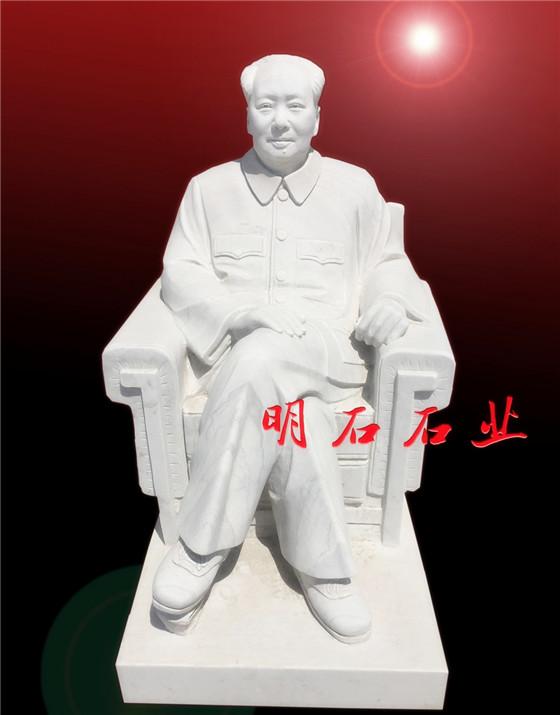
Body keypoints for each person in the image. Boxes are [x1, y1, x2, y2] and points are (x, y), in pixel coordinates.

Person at [152, 54, 429, 643]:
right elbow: (181, 273)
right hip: (235, 360)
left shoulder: (355, 187)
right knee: (293, 417)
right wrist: (238, 313)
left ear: (317, 118)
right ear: (248, 116)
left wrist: (388, 299)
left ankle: (200, 548)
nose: (280, 120)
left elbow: (388, 259)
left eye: (294, 105)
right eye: (266, 105)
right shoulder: (208, 190)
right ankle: (325, 571)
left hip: (330, 354)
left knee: (264, 358)